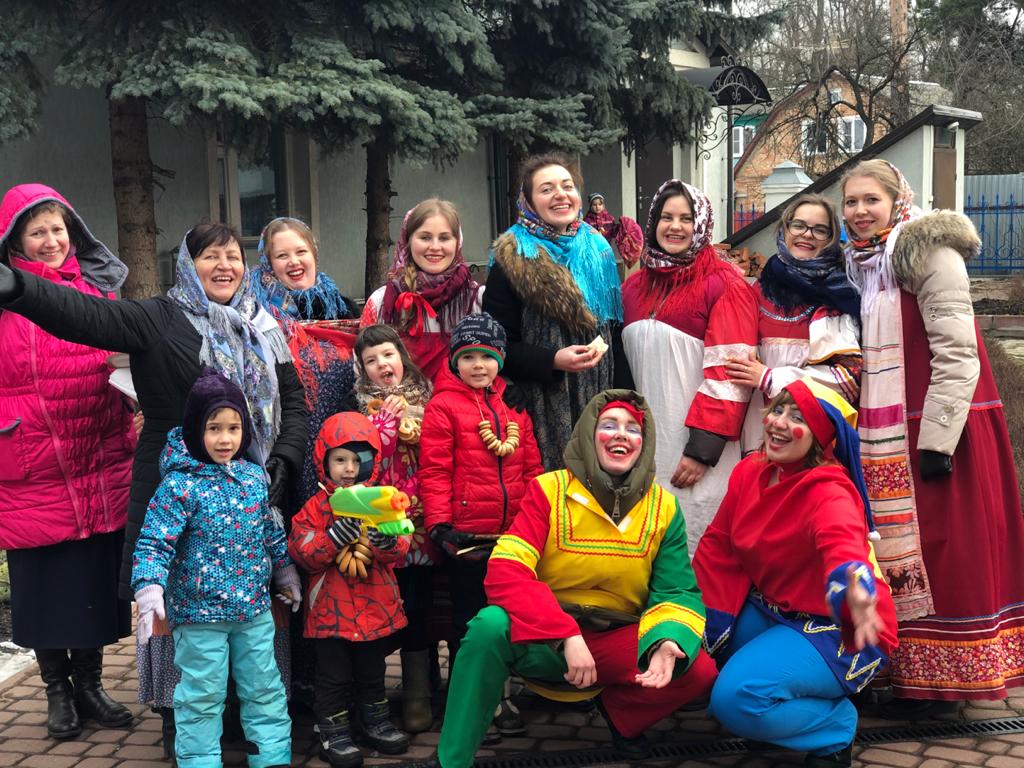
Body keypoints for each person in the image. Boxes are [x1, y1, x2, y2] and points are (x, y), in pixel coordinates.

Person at [0, 221, 308, 755]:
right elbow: (86, 315)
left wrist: (283, 458)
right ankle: (179, 721)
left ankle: (245, 717)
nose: (224, 266)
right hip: (176, 491)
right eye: (210, 256)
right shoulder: (159, 317)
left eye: (233, 256)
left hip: (250, 489)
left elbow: (294, 403)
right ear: (188, 264)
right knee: (177, 608)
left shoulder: (264, 326)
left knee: (251, 608)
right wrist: (19, 287)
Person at [409, 389, 718, 768]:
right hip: (546, 640)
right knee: (488, 627)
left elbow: (676, 589)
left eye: (633, 429)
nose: (621, 435)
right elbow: (507, 569)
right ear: (589, 435)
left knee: (697, 669)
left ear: (645, 442)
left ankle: (622, 715)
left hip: (614, 641)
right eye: (609, 425)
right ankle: (452, 759)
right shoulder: (549, 490)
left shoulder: (664, 507)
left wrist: (667, 640)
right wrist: (565, 633)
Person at [841, 158, 1024, 714]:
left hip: (938, 427)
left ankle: (947, 683)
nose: (860, 211)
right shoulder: (862, 261)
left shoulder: (927, 252)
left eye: (871, 199)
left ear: (897, 200)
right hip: (886, 427)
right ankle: (905, 673)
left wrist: (939, 441)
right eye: (851, 201)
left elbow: (958, 353)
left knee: (943, 550)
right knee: (895, 550)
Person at [693, 378, 898, 767]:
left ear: (818, 436)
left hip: (837, 624)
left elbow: (841, 542)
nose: (779, 422)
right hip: (772, 610)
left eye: (797, 417)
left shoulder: (828, 490)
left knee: (735, 699)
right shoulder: (749, 471)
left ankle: (835, 727)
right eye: (778, 410)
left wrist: (852, 585)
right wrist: (689, 607)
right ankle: (778, 715)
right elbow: (718, 544)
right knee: (697, 650)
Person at [0, 183, 135, 740]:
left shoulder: (96, 291)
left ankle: (91, 686)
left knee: (92, 582)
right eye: (38, 232)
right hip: (31, 463)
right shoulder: (5, 298)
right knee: (44, 587)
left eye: (59, 229)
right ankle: (57, 690)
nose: (52, 240)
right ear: (15, 242)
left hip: (96, 455)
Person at [132, 369, 302, 768]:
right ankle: (199, 761)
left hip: (253, 611)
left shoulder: (253, 477)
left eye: (233, 428)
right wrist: (149, 589)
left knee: (264, 687)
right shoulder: (179, 485)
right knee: (201, 696)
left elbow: (269, 529)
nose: (225, 439)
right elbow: (154, 540)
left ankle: (271, 756)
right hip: (199, 614)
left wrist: (285, 571)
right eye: (214, 429)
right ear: (196, 429)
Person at [251, 216, 362, 709]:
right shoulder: (259, 317)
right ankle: (295, 681)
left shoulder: (343, 309)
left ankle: (340, 679)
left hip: (342, 461)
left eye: (301, 251)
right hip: (291, 459)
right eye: (282, 255)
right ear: (267, 263)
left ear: (314, 253)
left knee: (342, 563)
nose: (294, 262)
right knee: (297, 562)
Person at [419, 312, 544, 738]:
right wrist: (440, 524)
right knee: (469, 621)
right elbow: (435, 471)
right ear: (454, 361)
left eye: (487, 357)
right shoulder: (443, 406)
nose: (478, 365)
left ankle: (501, 694)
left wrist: (536, 517)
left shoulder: (513, 405)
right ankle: (471, 702)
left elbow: (531, 467)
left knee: (505, 616)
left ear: (500, 360)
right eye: (468, 356)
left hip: (512, 534)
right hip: (467, 537)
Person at [620, 179, 757, 550]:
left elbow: (730, 375)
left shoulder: (723, 284)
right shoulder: (633, 288)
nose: (675, 227)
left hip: (700, 452)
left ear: (701, 226)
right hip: (645, 447)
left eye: (686, 218)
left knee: (698, 543)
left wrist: (701, 451)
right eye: (667, 217)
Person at [484, 152, 632, 471]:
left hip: (598, 395)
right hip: (542, 402)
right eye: (546, 189)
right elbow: (495, 346)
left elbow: (614, 333)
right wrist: (552, 360)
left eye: (567, 186)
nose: (560, 195)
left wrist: (625, 398)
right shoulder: (511, 256)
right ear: (528, 201)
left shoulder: (599, 250)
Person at [288, 411, 412, 767]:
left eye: (358, 461)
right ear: (324, 460)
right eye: (340, 460)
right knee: (333, 677)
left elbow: (401, 544)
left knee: (373, 671)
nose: (349, 469)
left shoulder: (380, 501)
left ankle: (375, 721)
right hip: (331, 612)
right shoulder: (316, 507)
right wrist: (331, 539)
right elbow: (302, 550)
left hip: (374, 607)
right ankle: (333, 732)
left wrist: (385, 542)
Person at [724, 194, 862, 453]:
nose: (807, 234)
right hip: (755, 432)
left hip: (809, 441)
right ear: (784, 230)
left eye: (819, 230)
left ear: (830, 239)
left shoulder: (838, 296)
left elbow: (849, 379)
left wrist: (771, 378)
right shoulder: (757, 290)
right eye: (798, 225)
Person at [351, 324, 437, 732]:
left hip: (422, 517)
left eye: (387, 355)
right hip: (385, 521)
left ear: (402, 357)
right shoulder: (360, 409)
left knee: (421, 602)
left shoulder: (428, 398)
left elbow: (439, 447)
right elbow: (365, 458)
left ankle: (422, 688)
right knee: (392, 601)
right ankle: (385, 690)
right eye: (371, 360)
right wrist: (384, 422)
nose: (382, 365)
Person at [361, 199, 483, 383]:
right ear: (408, 241)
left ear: (457, 242)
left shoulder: (477, 299)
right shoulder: (382, 302)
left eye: (444, 238)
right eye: (425, 237)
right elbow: (362, 364)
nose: (435, 247)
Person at [583, 193, 643, 268]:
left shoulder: (609, 218)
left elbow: (613, 232)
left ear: (603, 205)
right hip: (592, 252)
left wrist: (623, 228)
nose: (597, 207)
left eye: (600, 204)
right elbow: (585, 236)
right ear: (590, 206)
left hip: (606, 251)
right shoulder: (587, 221)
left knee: (606, 268)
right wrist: (594, 234)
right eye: (594, 205)